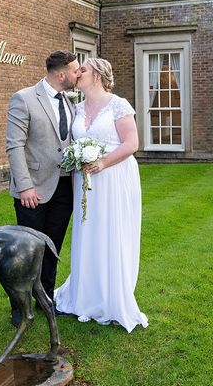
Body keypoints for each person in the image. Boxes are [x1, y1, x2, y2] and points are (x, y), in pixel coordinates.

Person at [54, 57, 148, 333]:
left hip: (115, 176)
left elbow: (132, 143)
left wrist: (103, 162)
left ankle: (111, 295)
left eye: (83, 69)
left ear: (96, 75)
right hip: (85, 180)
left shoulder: (119, 104)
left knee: (112, 231)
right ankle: (86, 294)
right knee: (88, 231)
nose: (77, 73)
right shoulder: (77, 107)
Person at [6, 50, 81, 308]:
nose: (78, 74)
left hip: (64, 188)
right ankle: (20, 306)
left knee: (52, 249)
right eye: (75, 70)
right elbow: (14, 146)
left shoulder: (69, 102)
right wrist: (24, 185)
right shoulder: (24, 99)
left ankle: (45, 300)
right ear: (61, 74)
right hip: (33, 190)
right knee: (27, 253)